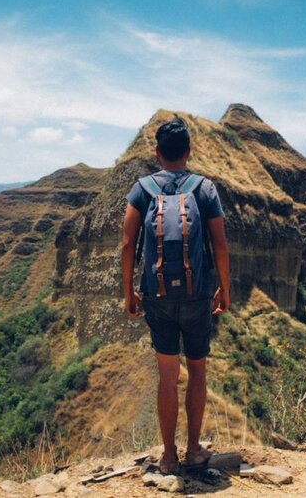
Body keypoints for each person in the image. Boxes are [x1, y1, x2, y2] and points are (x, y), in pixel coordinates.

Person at [120, 117, 230, 475]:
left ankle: (168, 457)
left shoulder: (142, 189)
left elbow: (126, 244)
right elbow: (219, 244)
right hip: (197, 296)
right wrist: (224, 289)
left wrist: (129, 294)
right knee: (197, 371)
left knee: (168, 377)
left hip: (157, 296)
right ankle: (194, 450)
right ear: (188, 151)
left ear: (157, 152)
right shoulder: (205, 189)